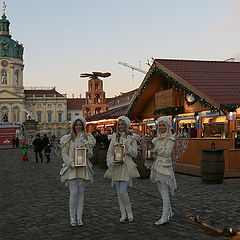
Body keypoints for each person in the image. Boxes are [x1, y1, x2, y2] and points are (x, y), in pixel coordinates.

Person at [60, 116, 96, 227]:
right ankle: (72, 217)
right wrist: (70, 162)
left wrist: (86, 146)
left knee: (81, 194)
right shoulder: (68, 138)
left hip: (83, 168)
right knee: (74, 193)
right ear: (73, 126)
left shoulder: (87, 138)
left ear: (83, 126)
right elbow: (64, 153)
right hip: (72, 168)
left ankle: (79, 217)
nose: (78, 127)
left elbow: (90, 155)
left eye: (80, 125)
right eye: (76, 125)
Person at [104, 116, 140, 223]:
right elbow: (110, 152)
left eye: (122, 124)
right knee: (119, 192)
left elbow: (135, 153)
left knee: (123, 190)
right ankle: (123, 214)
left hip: (126, 166)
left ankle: (129, 212)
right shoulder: (114, 137)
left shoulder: (132, 137)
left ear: (126, 125)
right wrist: (110, 162)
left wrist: (127, 147)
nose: (120, 126)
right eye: (118, 124)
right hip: (116, 166)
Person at [148, 116, 177, 225]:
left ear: (168, 126)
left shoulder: (170, 139)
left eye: (163, 125)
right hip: (157, 168)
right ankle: (169, 212)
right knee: (161, 193)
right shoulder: (155, 139)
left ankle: (164, 217)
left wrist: (156, 148)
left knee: (165, 195)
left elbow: (166, 153)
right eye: (159, 125)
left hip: (164, 170)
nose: (161, 127)